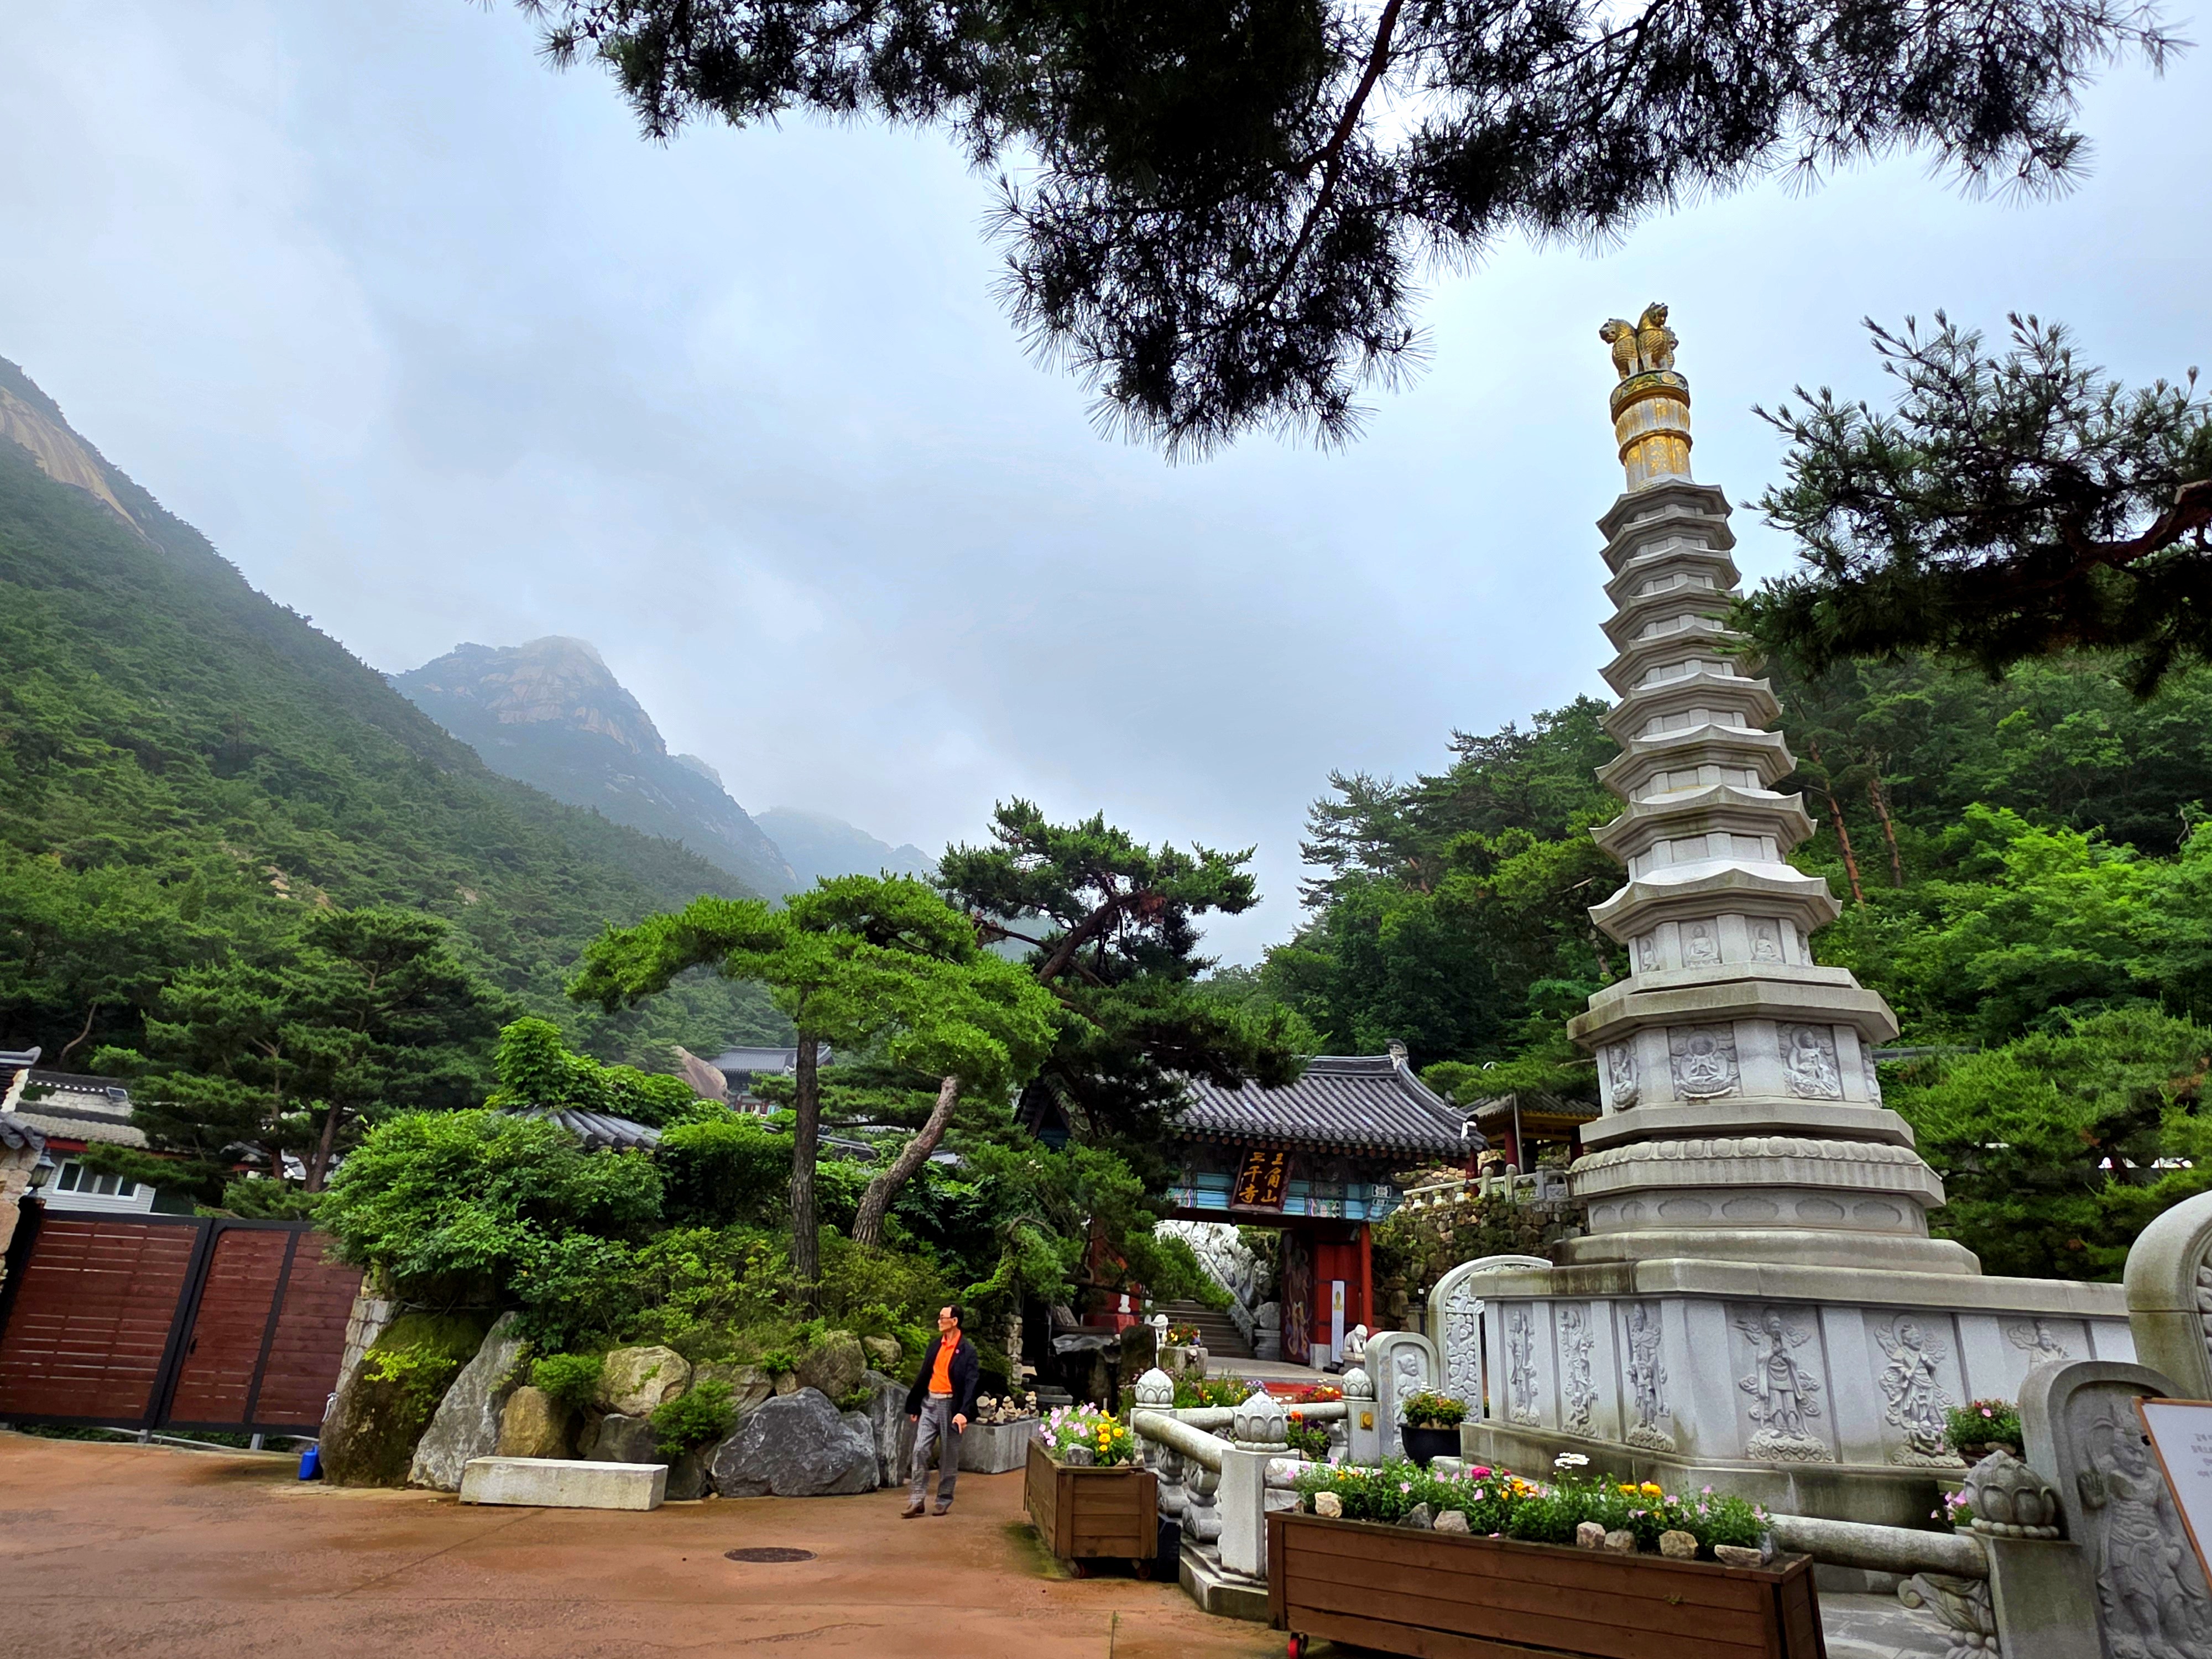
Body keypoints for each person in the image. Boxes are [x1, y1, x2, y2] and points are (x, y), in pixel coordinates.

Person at [903, 1303, 979, 1517]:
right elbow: (924, 1374)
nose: (939, 1321)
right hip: (929, 1403)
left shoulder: (967, 1351)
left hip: (951, 1406)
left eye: (943, 1318)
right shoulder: (935, 1346)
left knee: (948, 1456)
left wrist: (964, 1412)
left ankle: (944, 1499)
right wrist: (915, 1405)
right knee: (920, 1450)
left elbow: (972, 1384)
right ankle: (917, 1499)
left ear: (954, 1321)